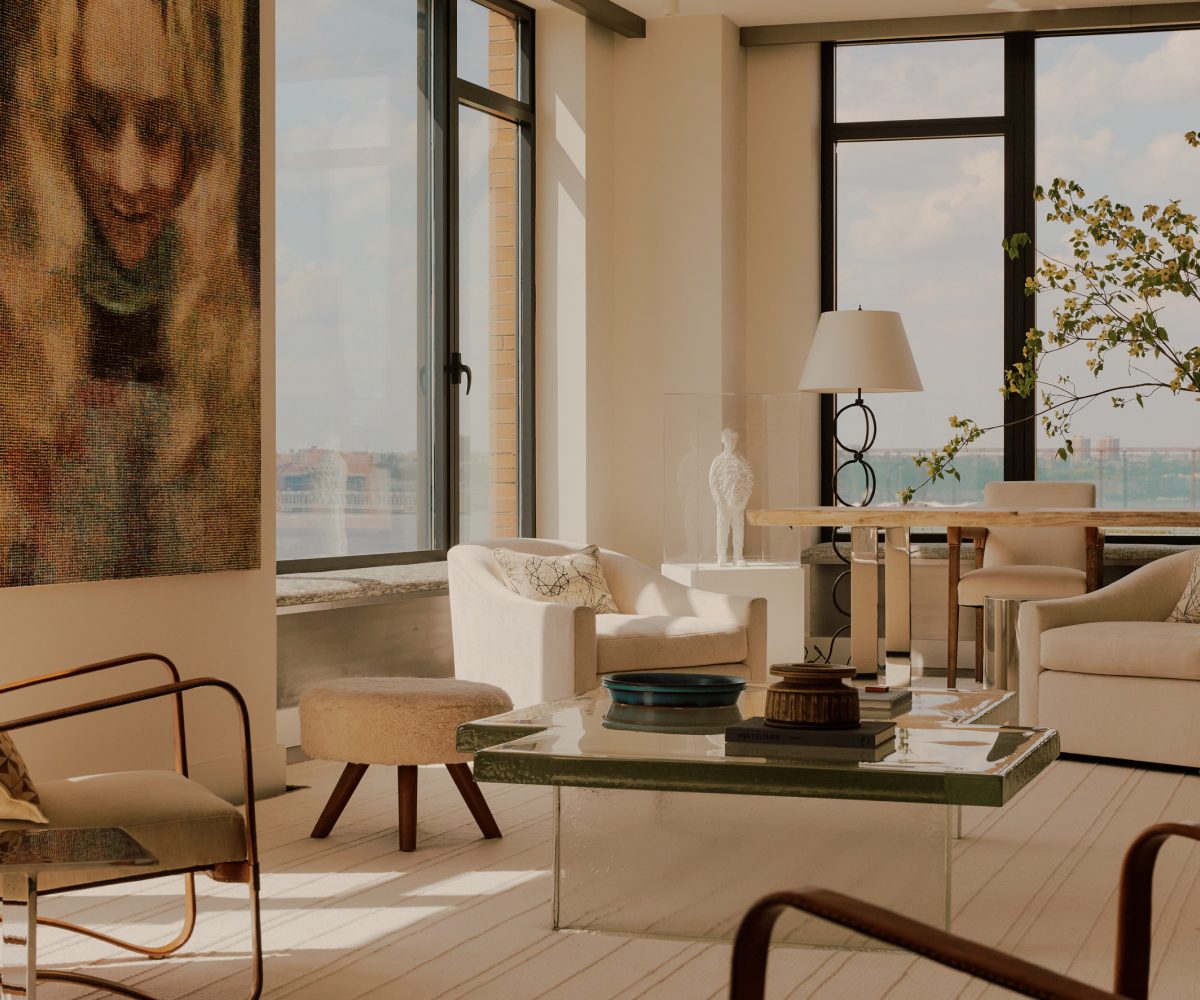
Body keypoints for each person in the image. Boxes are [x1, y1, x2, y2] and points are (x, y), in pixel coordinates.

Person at [0, 0, 259, 585]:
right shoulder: (14, 320)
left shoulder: (229, 334)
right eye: (97, 122)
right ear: (57, 120)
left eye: (163, 130)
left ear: (200, 135)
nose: (130, 177)